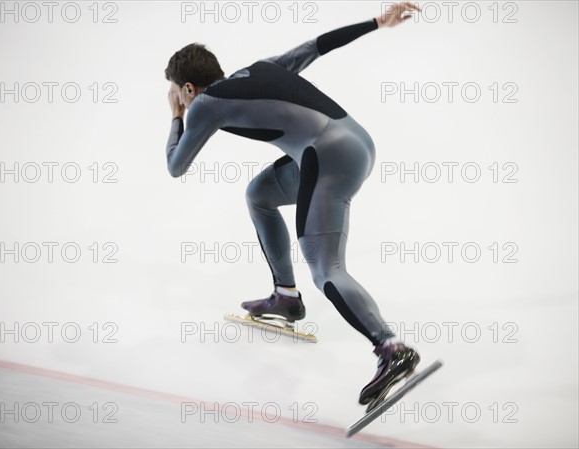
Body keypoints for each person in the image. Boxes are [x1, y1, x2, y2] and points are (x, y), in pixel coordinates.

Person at [165, 2, 422, 407]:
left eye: (179, 90)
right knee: (260, 194)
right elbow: (315, 46)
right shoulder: (262, 67)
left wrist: (176, 115)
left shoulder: (202, 105)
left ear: (189, 87)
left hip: (328, 156)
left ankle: (391, 348)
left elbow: (176, 166)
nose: (180, 98)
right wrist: (376, 22)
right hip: (356, 141)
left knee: (327, 270)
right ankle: (285, 295)